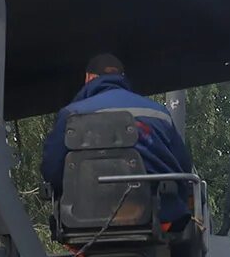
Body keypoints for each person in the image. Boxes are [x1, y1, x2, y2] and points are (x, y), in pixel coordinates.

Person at [40, 52, 195, 226]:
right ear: (122, 78)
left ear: (89, 78)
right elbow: (184, 169)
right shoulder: (159, 114)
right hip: (157, 219)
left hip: (85, 221)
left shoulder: (70, 115)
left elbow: (51, 170)